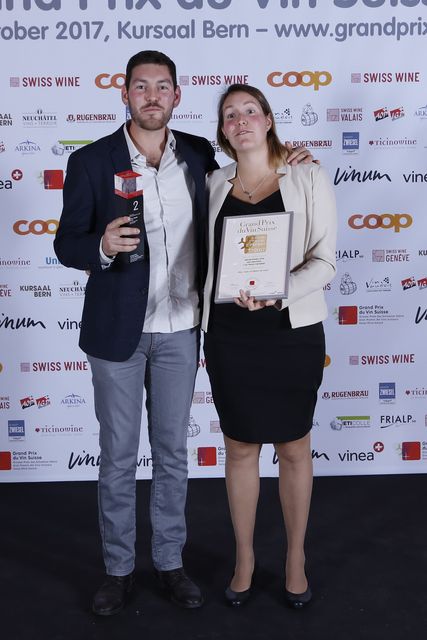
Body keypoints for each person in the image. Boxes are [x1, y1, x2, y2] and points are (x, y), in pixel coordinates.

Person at [54, 50, 312, 616]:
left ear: (176, 95)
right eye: (141, 86)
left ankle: (170, 563)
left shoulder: (198, 154)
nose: (152, 96)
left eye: (162, 86)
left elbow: (254, 164)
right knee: (118, 457)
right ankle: (119, 570)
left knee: (172, 453)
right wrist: (100, 246)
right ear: (124, 93)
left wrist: (292, 156)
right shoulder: (91, 161)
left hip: (181, 329)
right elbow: (65, 243)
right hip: (116, 334)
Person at [201, 84, 337, 609]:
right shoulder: (213, 182)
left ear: (268, 119)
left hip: (290, 332)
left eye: (249, 111)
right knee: (239, 447)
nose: (240, 120)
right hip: (230, 335)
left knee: (293, 446)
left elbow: (324, 262)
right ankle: (245, 559)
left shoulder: (307, 175)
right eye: (229, 115)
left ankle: (295, 558)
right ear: (223, 130)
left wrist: (280, 293)